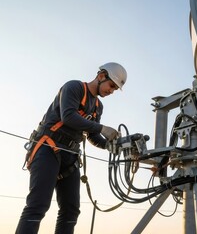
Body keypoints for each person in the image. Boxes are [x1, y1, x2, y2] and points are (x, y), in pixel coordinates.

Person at [16, 62, 127, 234]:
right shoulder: (74, 87)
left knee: (71, 210)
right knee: (38, 205)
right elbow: (68, 116)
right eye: (111, 85)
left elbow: (92, 136)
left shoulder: (98, 107)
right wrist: (102, 128)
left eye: (114, 89)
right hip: (48, 147)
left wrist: (109, 146)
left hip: (70, 155)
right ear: (101, 76)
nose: (111, 91)